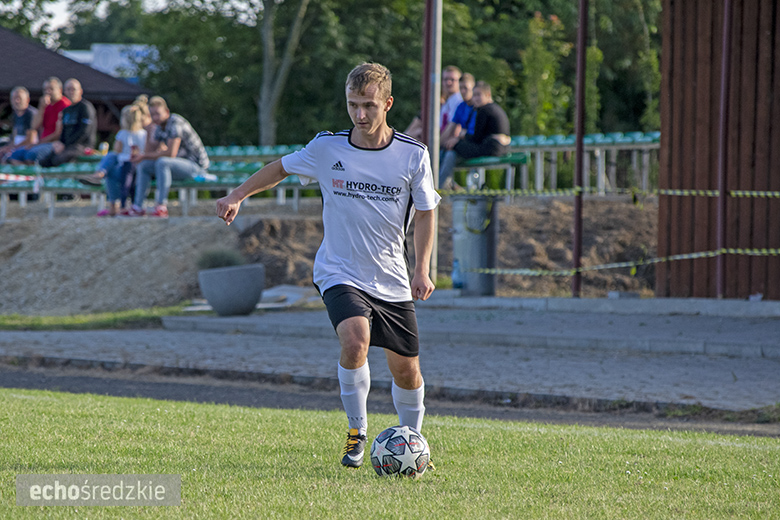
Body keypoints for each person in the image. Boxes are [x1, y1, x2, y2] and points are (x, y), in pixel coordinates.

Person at [215, 62, 440, 469]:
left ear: (387, 103)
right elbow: (281, 168)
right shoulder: (328, 147)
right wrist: (239, 194)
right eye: (353, 105)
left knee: (407, 371)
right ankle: (357, 432)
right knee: (355, 341)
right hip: (339, 269)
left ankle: (413, 443)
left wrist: (421, 269)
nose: (360, 115)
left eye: (369, 105)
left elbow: (426, 213)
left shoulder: (412, 154)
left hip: (391, 276)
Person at [128, 96, 211, 218]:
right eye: (152, 114)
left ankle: (161, 206)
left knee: (162, 162)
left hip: (196, 167)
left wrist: (144, 155)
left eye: (157, 114)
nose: (155, 118)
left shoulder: (175, 122)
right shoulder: (157, 126)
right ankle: (138, 207)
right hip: (178, 165)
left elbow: (170, 153)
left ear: (166, 111)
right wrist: (148, 131)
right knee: (144, 165)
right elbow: (148, 152)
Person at [439, 81, 511, 190]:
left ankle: (439, 185)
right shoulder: (494, 108)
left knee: (453, 147)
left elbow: (476, 138)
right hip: (497, 147)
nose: (475, 99)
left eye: (478, 95)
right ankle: (445, 183)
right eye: (474, 95)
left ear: (488, 95)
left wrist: (459, 138)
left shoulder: (484, 110)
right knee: (452, 147)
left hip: (491, 148)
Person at [80, 102, 148, 216]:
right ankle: (102, 175)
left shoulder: (122, 134)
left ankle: (101, 178)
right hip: (136, 168)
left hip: (127, 168)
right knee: (111, 165)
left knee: (111, 160)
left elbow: (117, 150)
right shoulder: (144, 134)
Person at [33, 78, 97, 168]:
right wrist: (60, 143)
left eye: (73, 89)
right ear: (64, 91)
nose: (71, 92)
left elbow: (84, 131)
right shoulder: (66, 110)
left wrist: (66, 145)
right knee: (43, 162)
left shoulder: (85, 107)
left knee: (58, 159)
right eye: (68, 89)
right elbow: (63, 131)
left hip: (82, 146)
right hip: (67, 146)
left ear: (80, 91)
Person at [8, 77, 71, 165]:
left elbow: (58, 133)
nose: (47, 92)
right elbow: (34, 126)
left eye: (51, 89)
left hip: (54, 143)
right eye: (45, 89)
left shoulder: (65, 106)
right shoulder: (46, 105)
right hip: (42, 143)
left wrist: (38, 143)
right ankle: (26, 177)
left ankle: (36, 176)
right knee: (14, 155)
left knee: (31, 155)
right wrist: (41, 107)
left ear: (60, 90)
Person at [402, 65, 463, 140]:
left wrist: (437, 144)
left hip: (442, 141)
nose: (448, 82)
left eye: (452, 80)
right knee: (417, 127)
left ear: (460, 82)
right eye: (445, 79)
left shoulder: (458, 102)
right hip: (437, 136)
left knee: (415, 133)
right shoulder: (448, 101)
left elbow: (453, 128)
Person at [0, 87, 38, 163]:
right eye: (14, 98)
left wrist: (13, 148)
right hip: (17, 147)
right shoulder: (15, 115)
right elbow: (14, 136)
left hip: (28, 147)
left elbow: (31, 140)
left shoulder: (31, 114)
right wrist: (7, 147)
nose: (16, 101)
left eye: (19, 98)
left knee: (12, 157)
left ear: (27, 100)